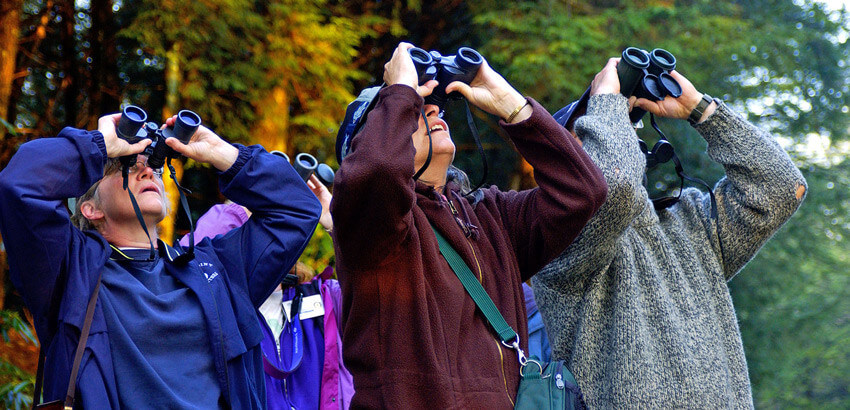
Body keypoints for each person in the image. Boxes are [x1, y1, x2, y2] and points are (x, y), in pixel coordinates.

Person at [330, 42, 607, 408]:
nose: (429, 108)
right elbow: (376, 172)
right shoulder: (371, 227)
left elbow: (584, 190)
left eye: (431, 105)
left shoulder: (491, 216)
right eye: (414, 109)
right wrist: (398, 90)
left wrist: (513, 106)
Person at [532, 57, 808, 408]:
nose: (611, 132)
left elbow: (782, 189)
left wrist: (703, 112)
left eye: (615, 126)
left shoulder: (691, 222)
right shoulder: (557, 242)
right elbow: (614, 187)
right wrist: (604, 102)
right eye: (588, 134)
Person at [0, 113, 321, 408]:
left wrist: (220, 152)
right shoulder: (69, 271)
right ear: (90, 209)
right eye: (123, 165)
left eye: (151, 165)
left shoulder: (219, 269)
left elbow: (295, 209)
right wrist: (98, 146)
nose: (145, 169)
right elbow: (22, 185)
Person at [180, 173, 354, 410]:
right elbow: (190, 266)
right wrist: (239, 209)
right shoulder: (222, 311)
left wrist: (338, 224)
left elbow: (378, 290)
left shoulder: (325, 297)